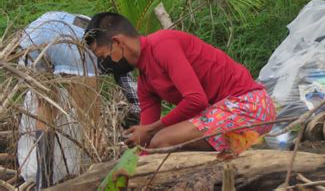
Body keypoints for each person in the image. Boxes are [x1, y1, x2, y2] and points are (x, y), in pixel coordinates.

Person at [84, 12, 276, 152]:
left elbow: (196, 100)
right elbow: (145, 142)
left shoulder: (162, 45)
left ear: (117, 42)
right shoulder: (145, 82)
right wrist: (133, 169)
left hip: (250, 106)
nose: (104, 63)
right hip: (223, 115)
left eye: (103, 56)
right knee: (156, 144)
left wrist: (150, 131)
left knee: (163, 140)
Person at [17, 11, 139, 188]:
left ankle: (43, 181)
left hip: (34, 34)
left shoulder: (104, 35)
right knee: (89, 118)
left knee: (45, 104)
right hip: (72, 45)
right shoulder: (104, 49)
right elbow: (126, 88)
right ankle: (90, 176)